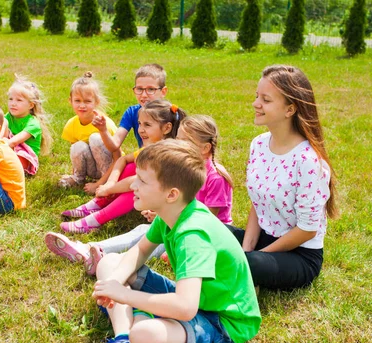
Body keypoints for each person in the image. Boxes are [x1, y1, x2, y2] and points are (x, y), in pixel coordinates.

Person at [84, 140, 261, 343]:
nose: (133, 186)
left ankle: (136, 328)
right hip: (194, 300)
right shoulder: (171, 213)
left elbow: (186, 308)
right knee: (110, 263)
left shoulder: (193, 235)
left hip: (222, 322)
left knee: (145, 334)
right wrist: (116, 282)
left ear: (171, 194)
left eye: (142, 181)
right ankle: (124, 339)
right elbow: (140, 250)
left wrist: (125, 295)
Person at [45, 114, 234, 276]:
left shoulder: (216, 177)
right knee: (143, 231)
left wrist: (171, 228)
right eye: (178, 139)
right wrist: (161, 214)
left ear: (205, 149)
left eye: (185, 141)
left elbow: (207, 219)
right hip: (180, 222)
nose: (178, 144)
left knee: (159, 242)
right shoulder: (183, 168)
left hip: (205, 235)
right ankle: (88, 248)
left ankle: (105, 260)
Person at [227, 65, 338, 290]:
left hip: (299, 254)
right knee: (205, 229)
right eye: (257, 97)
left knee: (249, 263)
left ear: (290, 109)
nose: (255, 104)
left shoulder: (309, 161)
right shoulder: (258, 144)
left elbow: (308, 229)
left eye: (266, 100)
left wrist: (252, 258)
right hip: (263, 239)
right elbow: (258, 203)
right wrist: (246, 251)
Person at [57, 100, 186, 234]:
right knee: (131, 166)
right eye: (140, 124)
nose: (141, 130)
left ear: (167, 128)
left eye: (147, 125)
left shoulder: (164, 153)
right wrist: (111, 182)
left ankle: (96, 220)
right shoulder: (151, 148)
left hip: (168, 201)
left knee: (140, 186)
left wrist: (109, 189)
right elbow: (123, 159)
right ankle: (98, 204)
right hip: (156, 193)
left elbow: (139, 180)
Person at [83, 63, 168, 196]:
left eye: (151, 89)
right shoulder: (132, 112)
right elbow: (115, 145)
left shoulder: (169, 115)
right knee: (130, 170)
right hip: (143, 160)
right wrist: (103, 130)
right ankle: (105, 196)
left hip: (164, 168)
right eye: (139, 89)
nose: (144, 95)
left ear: (163, 92)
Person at [58, 72, 120, 188]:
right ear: (70, 101)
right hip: (92, 169)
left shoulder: (105, 123)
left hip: (111, 169)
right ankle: (78, 179)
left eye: (87, 101)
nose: (82, 105)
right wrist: (74, 172)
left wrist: (99, 184)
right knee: (78, 145)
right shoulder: (71, 124)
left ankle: (105, 182)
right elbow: (76, 154)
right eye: (77, 101)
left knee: (95, 138)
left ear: (96, 102)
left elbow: (118, 156)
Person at [2, 74, 52, 176]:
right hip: (9, 149)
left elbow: (13, 142)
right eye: (10, 99)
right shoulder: (8, 117)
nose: (13, 103)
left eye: (19, 100)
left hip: (25, 156)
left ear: (30, 105)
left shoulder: (33, 124)